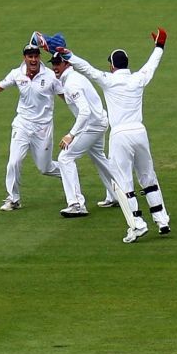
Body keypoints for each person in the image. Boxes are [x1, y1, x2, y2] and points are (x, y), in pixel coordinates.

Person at [59, 30, 172, 234]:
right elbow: (152, 64)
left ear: (112, 66)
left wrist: (68, 55)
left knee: (124, 181)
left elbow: (86, 68)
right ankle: (162, 220)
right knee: (148, 177)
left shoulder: (108, 80)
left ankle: (137, 224)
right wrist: (159, 46)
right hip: (140, 131)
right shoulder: (138, 78)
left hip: (120, 135)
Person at [46, 50, 146, 240]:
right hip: (99, 121)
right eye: (53, 63)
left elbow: (84, 112)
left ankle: (76, 204)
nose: (55, 67)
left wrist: (70, 135)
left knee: (65, 157)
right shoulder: (72, 78)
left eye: (58, 63)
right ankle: (119, 194)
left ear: (67, 64)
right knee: (99, 157)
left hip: (92, 124)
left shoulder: (73, 82)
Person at [0, 43, 62, 211]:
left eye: (36, 56)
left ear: (39, 57)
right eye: (29, 56)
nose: (33, 59)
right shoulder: (17, 74)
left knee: (45, 168)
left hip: (43, 127)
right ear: (24, 57)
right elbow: (0, 86)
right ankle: (13, 199)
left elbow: (64, 95)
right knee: (14, 162)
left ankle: (69, 171)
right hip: (23, 124)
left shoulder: (50, 76)